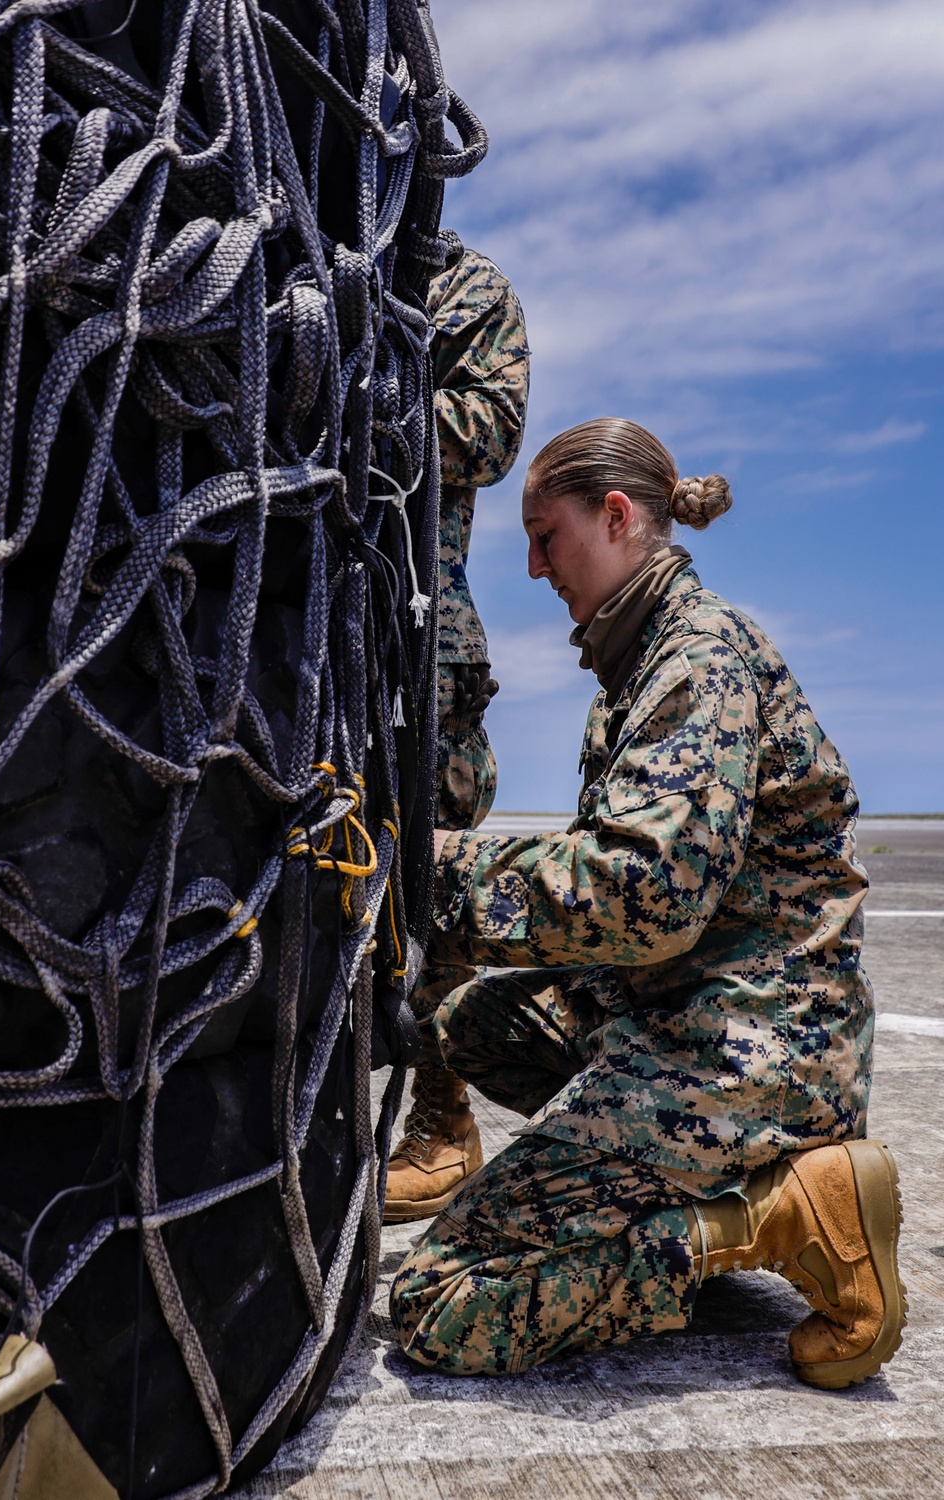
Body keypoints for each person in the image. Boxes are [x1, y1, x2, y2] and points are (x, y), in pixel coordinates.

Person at [389, 417, 906, 1389]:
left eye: (547, 536)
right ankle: (700, 1179)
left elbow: (640, 894)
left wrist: (433, 873)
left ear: (616, 516)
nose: (536, 568)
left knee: (441, 1305)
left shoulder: (695, 661)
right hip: (690, 1004)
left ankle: (770, 1216)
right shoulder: (640, 660)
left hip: (757, 1043)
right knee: (470, 1026)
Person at [384, 248, 529, 1223]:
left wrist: (353, 391)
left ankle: (442, 1122)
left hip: (411, 627)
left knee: (425, 884)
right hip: (263, 619)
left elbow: (489, 431)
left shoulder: (458, 282)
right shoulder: (262, 248)